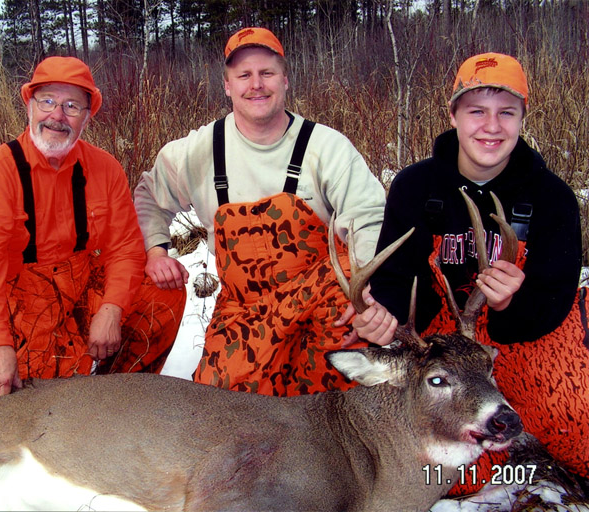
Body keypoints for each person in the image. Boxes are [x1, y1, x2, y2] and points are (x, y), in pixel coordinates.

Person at [350, 53, 588, 489]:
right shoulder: (415, 187)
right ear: (454, 114)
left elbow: (555, 298)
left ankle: (530, 455)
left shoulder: (552, 198)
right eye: (477, 111)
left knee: (579, 438)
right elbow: (395, 280)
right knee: (429, 467)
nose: (491, 127)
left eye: (506, 113)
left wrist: (516, 303)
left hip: (528, 339)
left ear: (522, 118)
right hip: (443, 345)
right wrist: (382, 318)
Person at [133, 27, 386, 397]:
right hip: (244, 309)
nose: (257, 85)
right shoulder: (198, 150)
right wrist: (157, 249)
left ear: (284, 80)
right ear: (227, 85)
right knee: (219, 406)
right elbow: (147, 196)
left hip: (322, 301)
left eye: (267, 73)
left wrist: (369, 296)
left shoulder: (326, 147)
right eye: (244, 75)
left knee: (343, 400)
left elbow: (368, 216)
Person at [0, 56, 186, 398]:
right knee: (44, 396)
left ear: (87, 116)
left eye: (72, 106)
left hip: (82, 284)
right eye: (47, 101)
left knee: (162, 292)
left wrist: (112, 309)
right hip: (27, 297)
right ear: (29, 106)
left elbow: (124, 248)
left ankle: (118, 395)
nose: (57, 116)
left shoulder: (105, 168)